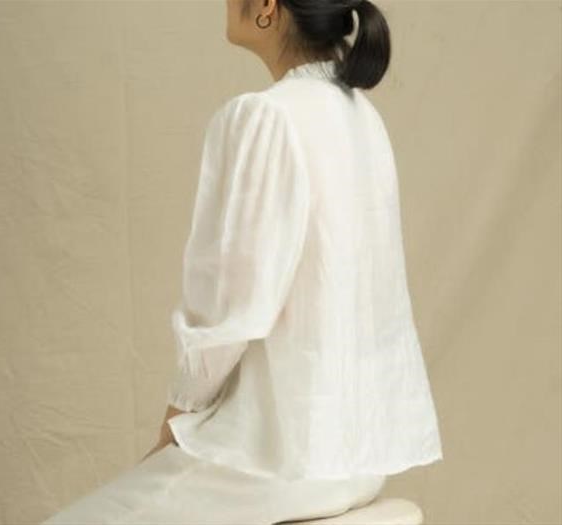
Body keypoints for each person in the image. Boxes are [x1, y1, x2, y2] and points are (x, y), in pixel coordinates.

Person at [41, 0, 443, 523]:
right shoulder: (362, 116)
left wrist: (174, 426)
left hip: (272, 463)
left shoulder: (267, 116)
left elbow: (231, 309)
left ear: (268, 7)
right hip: (363, 457)